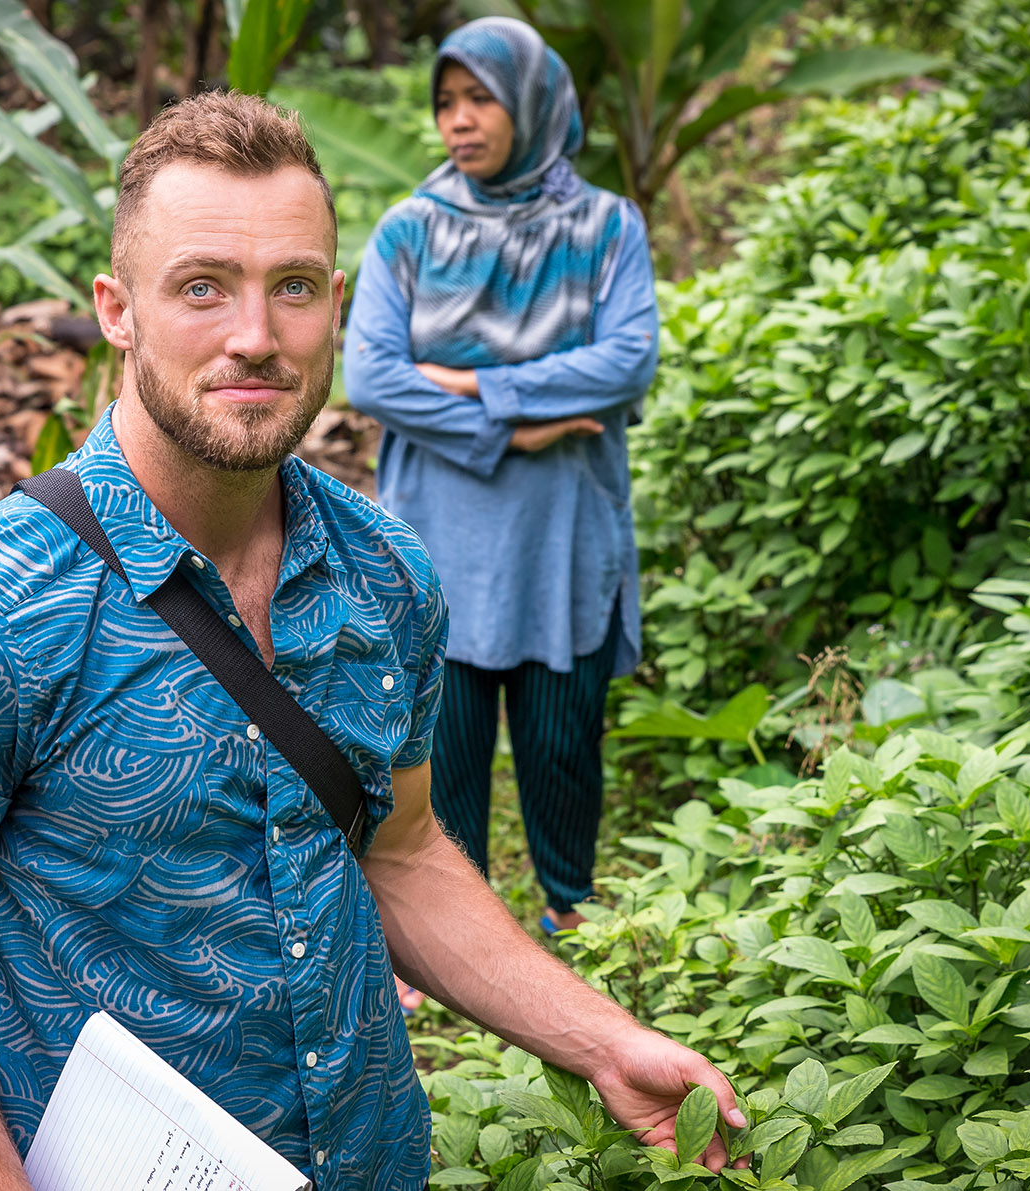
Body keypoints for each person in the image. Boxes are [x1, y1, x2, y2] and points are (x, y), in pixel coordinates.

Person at [0, 91, 744, 1191]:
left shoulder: (384, 573)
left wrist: (604, 1043)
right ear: (116, 309)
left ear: (336, 303)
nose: (254, 338)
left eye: (292, 288)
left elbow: (398, 855)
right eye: (201, 287)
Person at [344, 18, 656, 948]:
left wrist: (478, 383)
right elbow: (372, 377)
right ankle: (456, 937)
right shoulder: (410, 231)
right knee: (446, 749)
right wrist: (521, 432)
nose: (458, 122)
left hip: (563, 530)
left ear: (530, 103)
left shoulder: (604, 226)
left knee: (564, 740)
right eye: (446, 102)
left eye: (479, 98)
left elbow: (628, 361)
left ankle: (573, 910)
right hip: (443, 526)